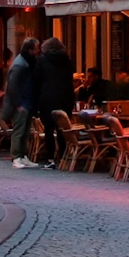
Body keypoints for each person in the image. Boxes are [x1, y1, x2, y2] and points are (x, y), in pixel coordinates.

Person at [33, 37, 77, 168]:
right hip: (65, 97)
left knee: (48, 130)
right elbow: (70, 78)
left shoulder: (42, 60)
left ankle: (50, 158)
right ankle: (63, 157)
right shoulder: (66, 60)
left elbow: (37, 80)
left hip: (47, 98)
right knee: (62, 129)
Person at [2, 38, 38, 168]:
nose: (37, 52)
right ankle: (16, 157)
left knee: (26, 131)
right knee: (19, 131)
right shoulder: (19, 65)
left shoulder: (25, 63)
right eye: (35, 49)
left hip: (27, 102)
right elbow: (12, 86)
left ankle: (23, 156)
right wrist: (18, 105)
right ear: (29, 50)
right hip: (21, 103)